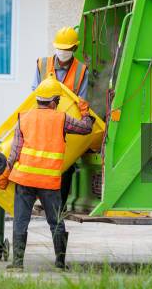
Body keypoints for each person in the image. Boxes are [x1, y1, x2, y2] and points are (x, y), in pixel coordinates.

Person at [0, 75, 93, 270]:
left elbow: (15, 150)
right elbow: (86, 128)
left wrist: (5, 173)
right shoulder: (61, 118)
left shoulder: (24, 117)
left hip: (24, 179)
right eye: (57, 100)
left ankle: (17, 263)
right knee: (55, 222)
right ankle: (59, 263)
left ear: (39, 99)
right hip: (49, 182)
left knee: (21, 221)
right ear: (54, 101)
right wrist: (85, 112)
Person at [32, 26, 89, 209]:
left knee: (64, 164)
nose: (62, 52)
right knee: (37, 160)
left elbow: (81, 100)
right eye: (60, 48)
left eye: (66, 49)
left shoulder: (81, 71)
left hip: (64, 123)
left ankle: (57, 206)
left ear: (74, 49)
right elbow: (34, 92)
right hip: (41, 120)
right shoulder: (42, 64)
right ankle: (39, 199)